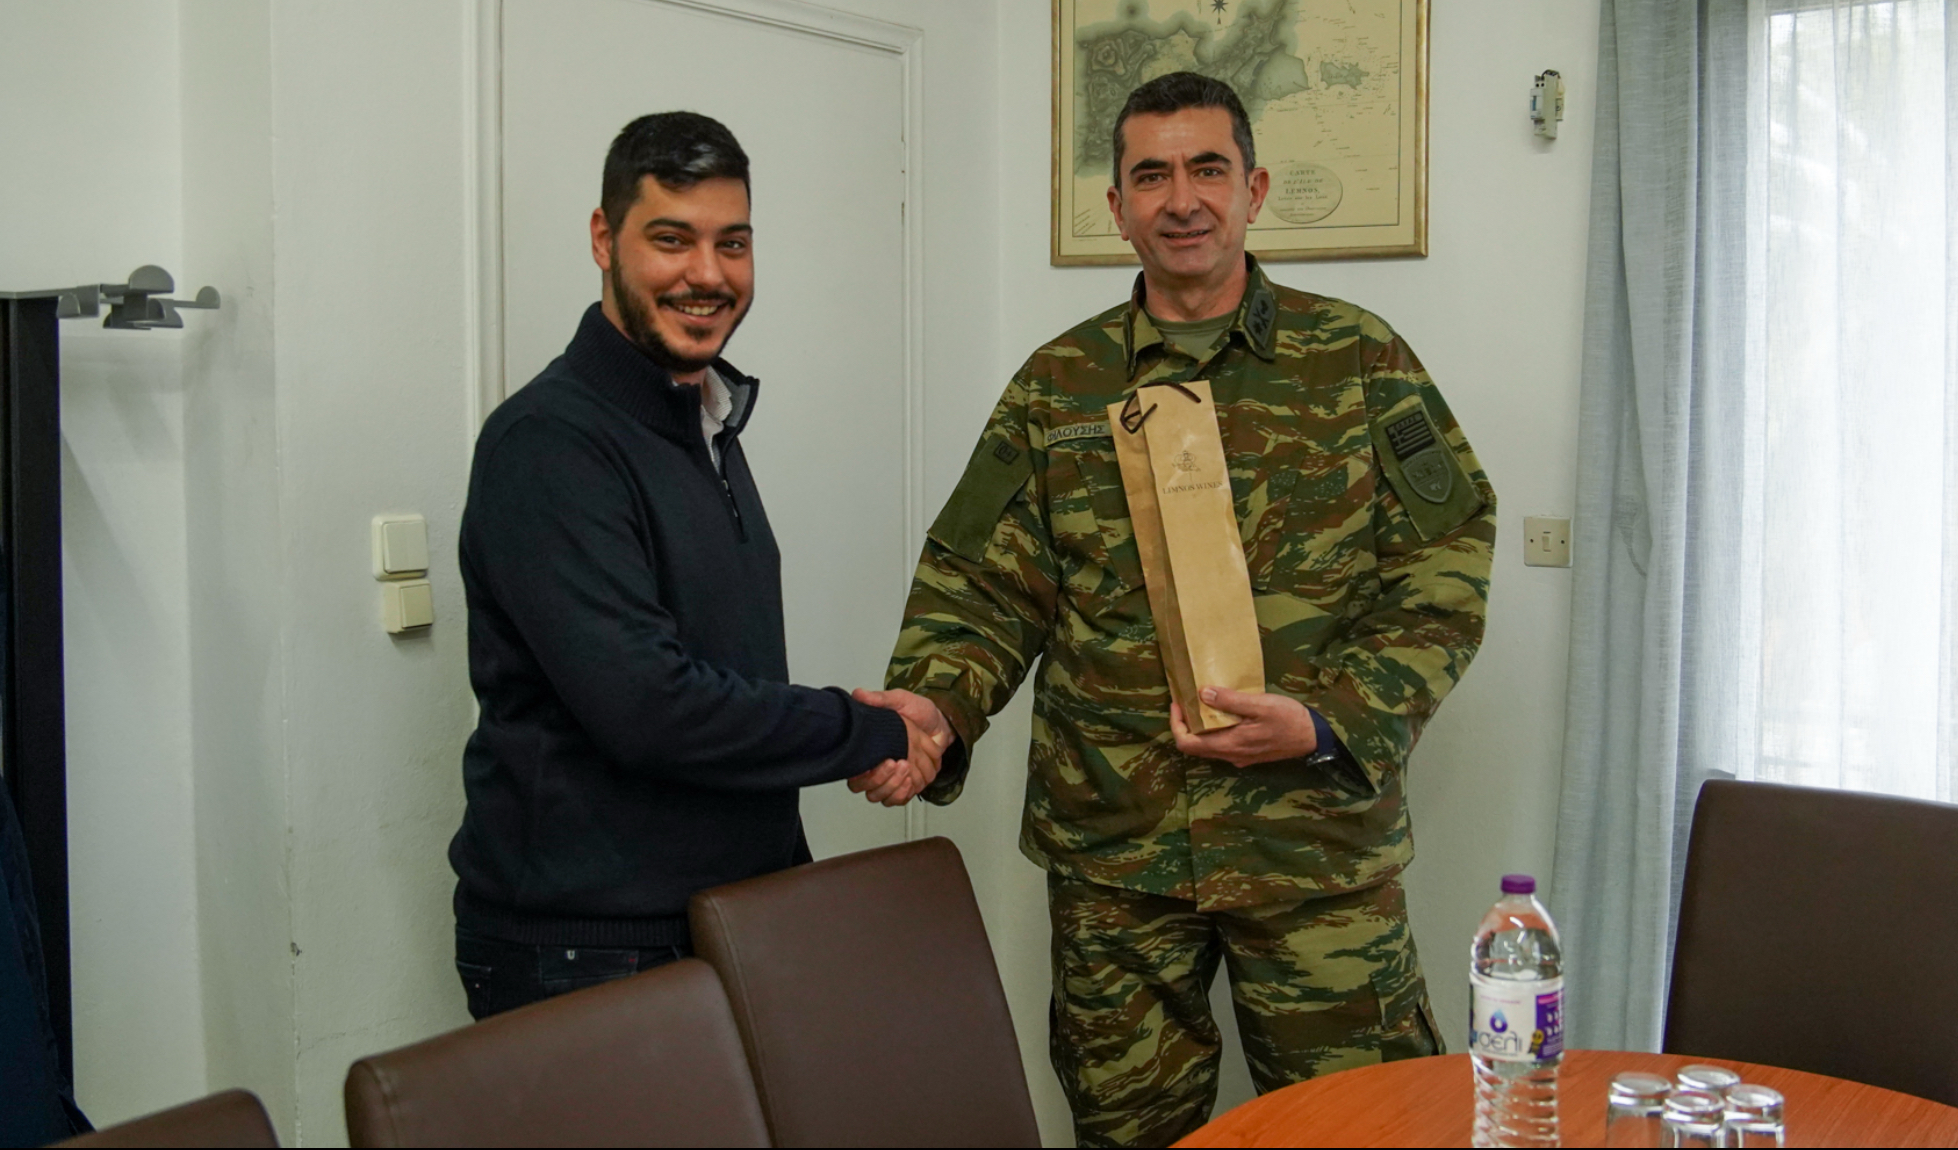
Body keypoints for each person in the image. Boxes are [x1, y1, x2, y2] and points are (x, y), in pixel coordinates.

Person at [863, 73, 1495, 1145]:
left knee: (1364, 1129)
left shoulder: (1360, 360)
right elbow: (982, 583)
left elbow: (1445, 563)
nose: (1181, 199)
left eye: (1207, 169)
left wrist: (1330, 718)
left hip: (1311, 848)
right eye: (1150, 176)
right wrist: (933, 706)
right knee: (1125, 1133)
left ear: (1253, 189)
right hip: (1118, 855)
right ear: (1116, 207)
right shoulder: (1056, 387)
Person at [448, 111, 935, 1020]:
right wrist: (865, 730)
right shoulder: (548, 443)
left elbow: (725, 671)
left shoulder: (703, 417)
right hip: (589, 947)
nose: (708, 274)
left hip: (730, 913)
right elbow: (650, 709)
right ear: (604, 239)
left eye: (732, 243)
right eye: (671, 240)